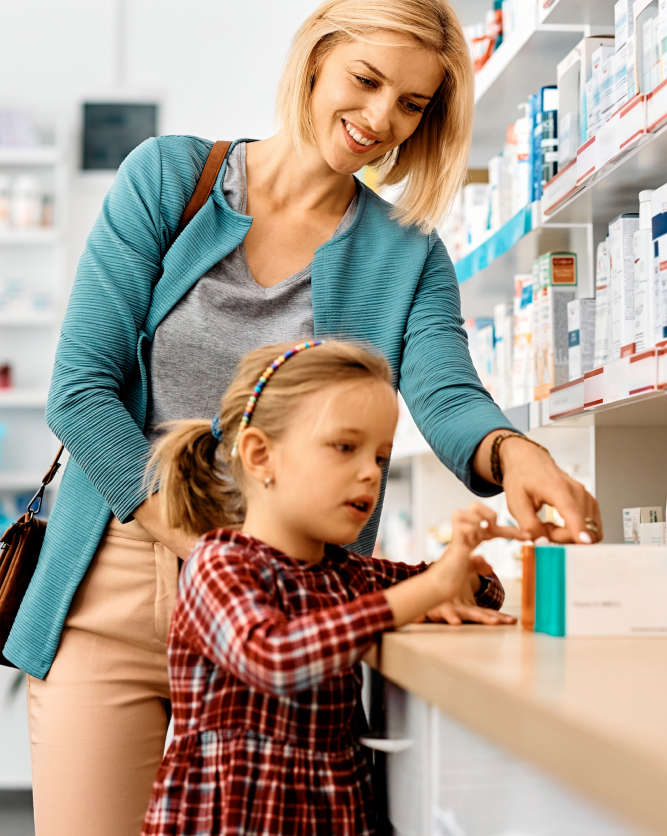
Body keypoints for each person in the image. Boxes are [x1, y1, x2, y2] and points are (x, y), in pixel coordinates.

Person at [5, 0, 602, 836]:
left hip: (291, 603)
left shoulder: (405, 255)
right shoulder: (172, 179)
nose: (379, 121)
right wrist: (213, 550)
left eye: (410, 105)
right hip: (123, 576)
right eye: (366, 80)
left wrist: (518, 454)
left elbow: (442, 389)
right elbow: (80, 390)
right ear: (318, 57)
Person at [142, 339, 529, 836]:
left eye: (381, 456)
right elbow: (274, 658)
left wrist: (471, 566)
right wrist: (430, 589)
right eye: (346, 447)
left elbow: (467, 591)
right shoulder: (218, 565)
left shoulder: (348, 573)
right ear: (261, 456)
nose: (370, 471)